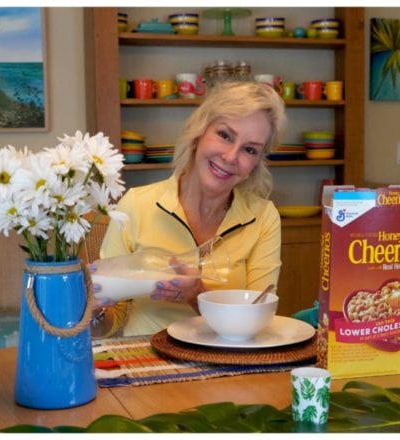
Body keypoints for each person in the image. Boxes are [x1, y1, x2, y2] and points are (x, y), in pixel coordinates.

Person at [97, 81, 286, 337]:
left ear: (257, 162)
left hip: (229, 363)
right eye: (224, 135)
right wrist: (94, 311)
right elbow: (112, 319)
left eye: (249, 149)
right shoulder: (136, 204)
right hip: (146, 358)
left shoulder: (263, 217)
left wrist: (197, 295)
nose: (230, 157)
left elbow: (257, 317)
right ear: (199, 132)